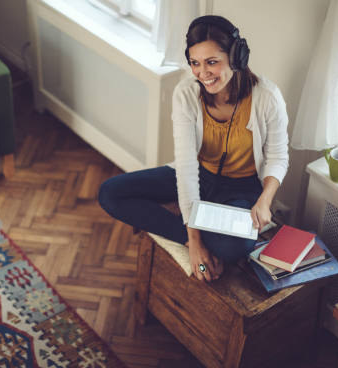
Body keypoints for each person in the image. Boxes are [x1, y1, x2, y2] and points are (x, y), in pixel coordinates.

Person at [98, 15, 289, 282]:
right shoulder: (186, 94)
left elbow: (278, 156)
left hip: (242, 187)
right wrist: (194, 242)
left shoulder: (267, 97)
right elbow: (186, 168)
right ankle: (193, 225)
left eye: (212, 62)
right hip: (199, 174)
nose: (203, 73)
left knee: (236, 246)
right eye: (195, 63)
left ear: (236, 57)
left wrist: (264, 200)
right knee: (110, 193)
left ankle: (201, 218)